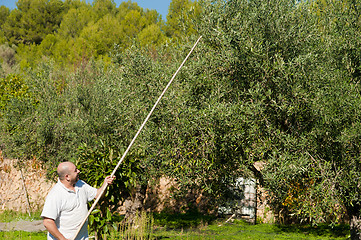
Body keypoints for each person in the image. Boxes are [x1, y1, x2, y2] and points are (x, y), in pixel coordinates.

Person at [41, 161, 115, 240]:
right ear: (67, 177)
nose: (78, 171)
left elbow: (97, 195)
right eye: (75, 170)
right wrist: (63, 239)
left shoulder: (81, 184)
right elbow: (48, 222)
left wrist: (105, 184)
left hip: (82, 237)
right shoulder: (56, 194)